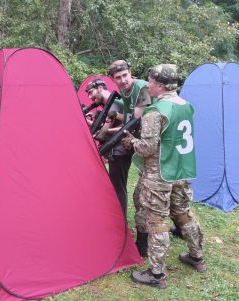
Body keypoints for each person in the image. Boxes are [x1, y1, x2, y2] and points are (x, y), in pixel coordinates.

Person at [122, 64, 205, 289]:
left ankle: (156, 274)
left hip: (159, 173)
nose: (147, 85)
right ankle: (197, 256)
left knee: (157, 222)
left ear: (158, 85)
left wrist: (131, 141)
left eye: (150, 82)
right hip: (181, 170)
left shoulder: (156, 111)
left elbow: (147, 148)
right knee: (183, 214)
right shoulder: (186, 106)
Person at [108, 60, 152, 258]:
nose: (123, 80)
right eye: (118, 77)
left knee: (156, 189)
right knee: (116, 161)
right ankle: (118, 220)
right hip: (138, 138)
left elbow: (135, 121)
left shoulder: (142, 87)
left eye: (125, 75)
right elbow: (127, 119)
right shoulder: (124, 94)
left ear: (130, 73)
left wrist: (109, 135)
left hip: (154, 141)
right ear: (113, 80)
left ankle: (146, 239)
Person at [84, 79, 128, 215]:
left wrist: (86, 123)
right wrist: (93, 122)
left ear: (101, 88)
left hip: (119, 150)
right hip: (117, 150)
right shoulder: (109, 104)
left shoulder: (113, 103)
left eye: (91, 92)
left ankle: (121, 220)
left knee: (118, 187)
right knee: (117, 185)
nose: (90, 97)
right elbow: (106, 129)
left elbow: (103, 133)